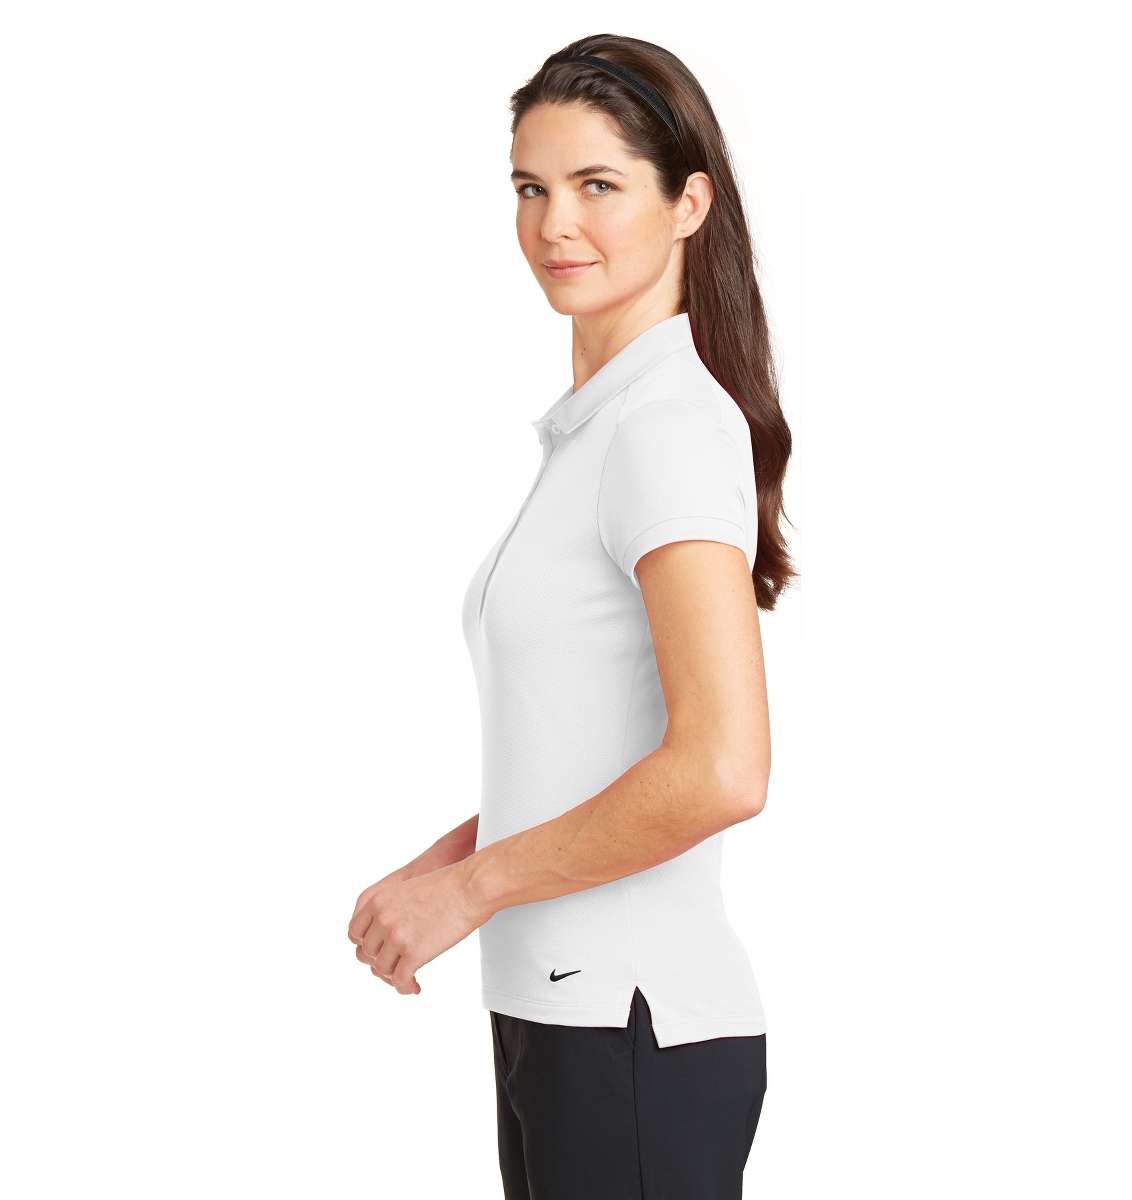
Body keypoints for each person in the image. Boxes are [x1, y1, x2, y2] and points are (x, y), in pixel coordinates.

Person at [348, 34, 796, 1199]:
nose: (555, 224)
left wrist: (469, 890)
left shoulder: (664, 428)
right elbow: (592, 750)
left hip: (631, 1024)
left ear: (689, 202)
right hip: (563, 1016)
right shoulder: (602, 429)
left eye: (598, 185)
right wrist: (447, 864)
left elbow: (722, 770)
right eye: (530, 187)